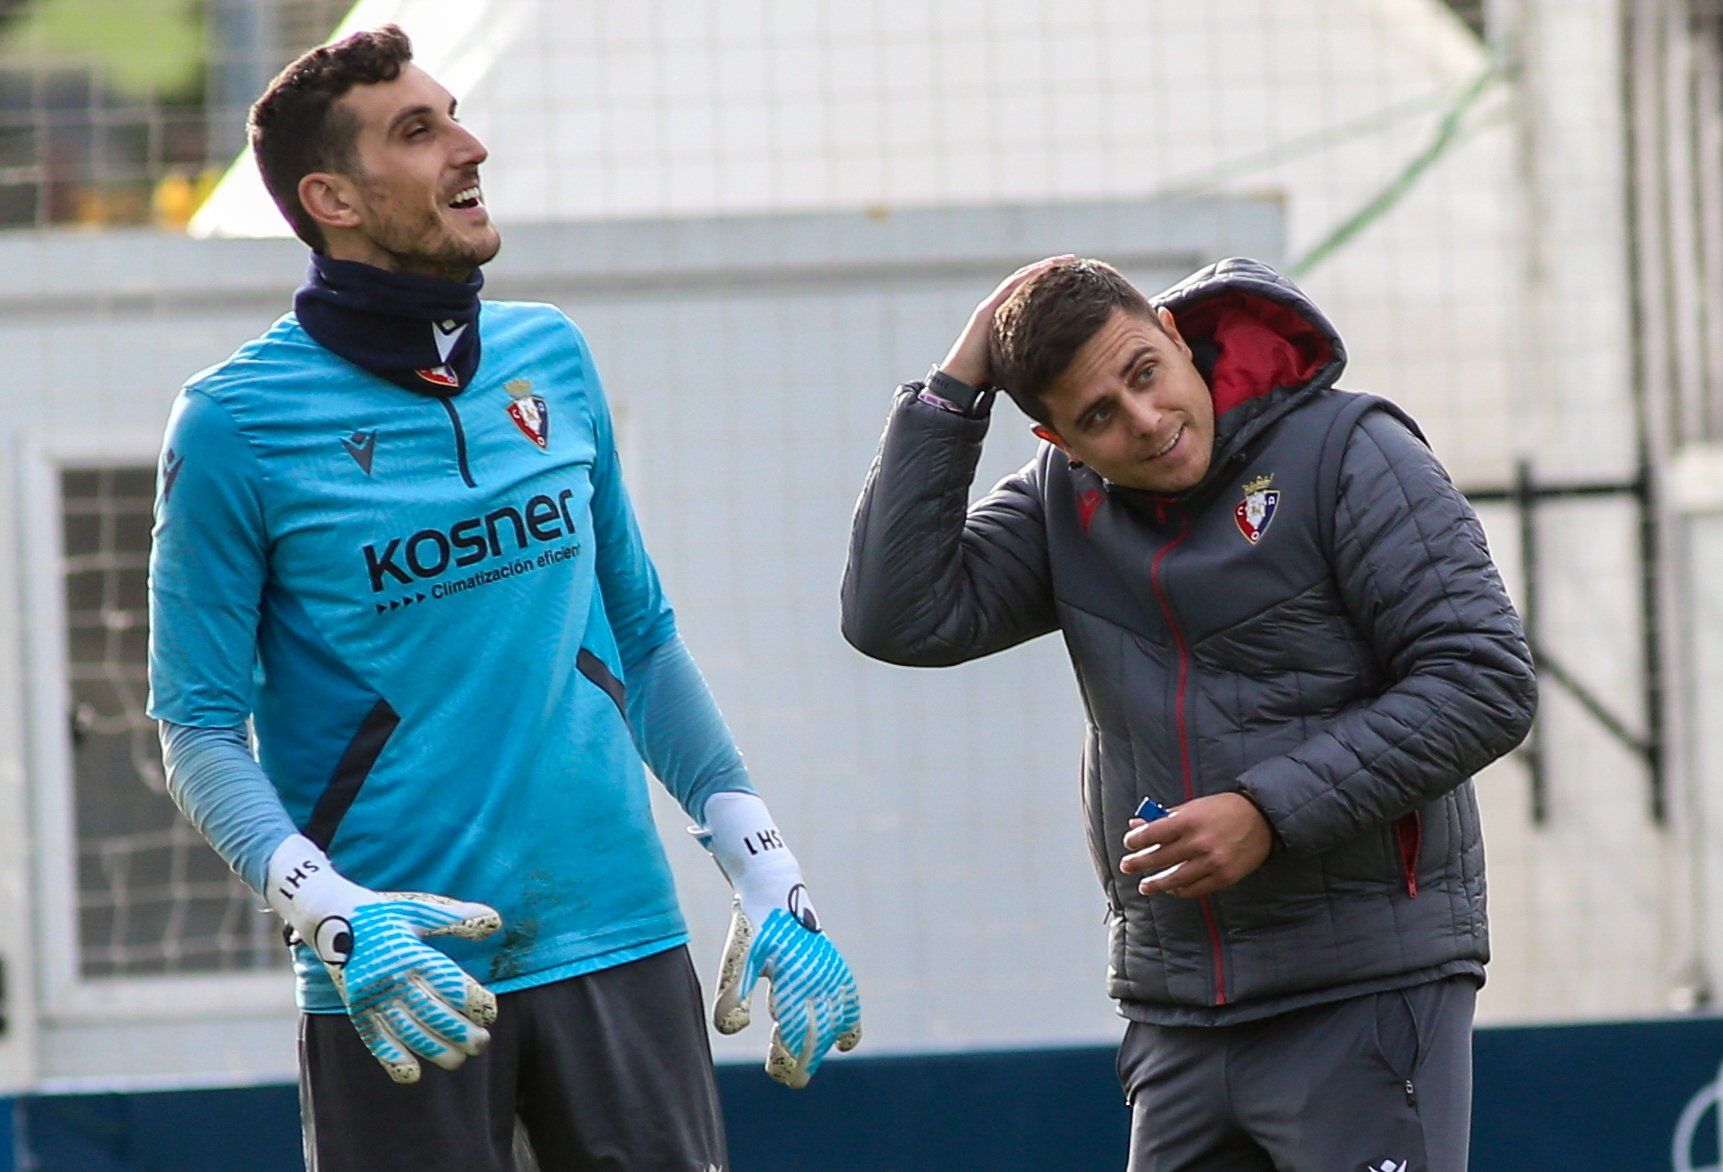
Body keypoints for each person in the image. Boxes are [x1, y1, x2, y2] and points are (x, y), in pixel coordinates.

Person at [147, 25, 859, 1172]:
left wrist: (767, 869)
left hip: (620, 945)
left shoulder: (553, 357)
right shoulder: (232, 422)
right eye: (418, 131)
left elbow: (640, 637)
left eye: (454, 114)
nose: (468, 145)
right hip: (401, 974)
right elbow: (194, 727)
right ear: (331, 195)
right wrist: (334, 914)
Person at [840, 255, 1535, 1171]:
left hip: (1364, 989)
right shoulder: (1062, 501)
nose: (1146, 421)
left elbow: (1482, 679)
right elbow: (898, 616)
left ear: (1173, 336)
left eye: (1143, 373)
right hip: (1174, 1016)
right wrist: (956, 385)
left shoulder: (1348, 451)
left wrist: (1266, 814)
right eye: (1098, 416)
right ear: (1057, 438)